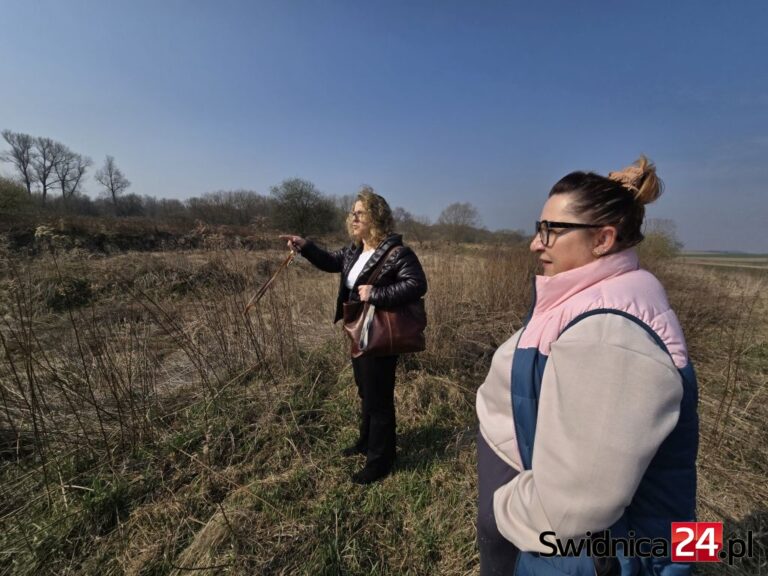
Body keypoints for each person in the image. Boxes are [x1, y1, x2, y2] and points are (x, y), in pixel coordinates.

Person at [476, 157, 698, 575]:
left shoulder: (610, 337)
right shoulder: (590, 295)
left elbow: (571, 506)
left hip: (584, 557)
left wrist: (501, 506)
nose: (535, 243)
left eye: (550, 231)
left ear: (603, 239)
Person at [280, 186, 427, 485]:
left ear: (377, 216)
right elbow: (331, 262)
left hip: (381, 332)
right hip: (358, 329)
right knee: (365, 392)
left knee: (379, 398)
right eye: (352, 212)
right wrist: (306, 246)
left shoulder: (396, 252)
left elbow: (417, 284)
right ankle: (365, 443)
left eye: (360, 212)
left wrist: (378, 293)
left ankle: (381, 461)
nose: (354, 217)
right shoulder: (355, 249)